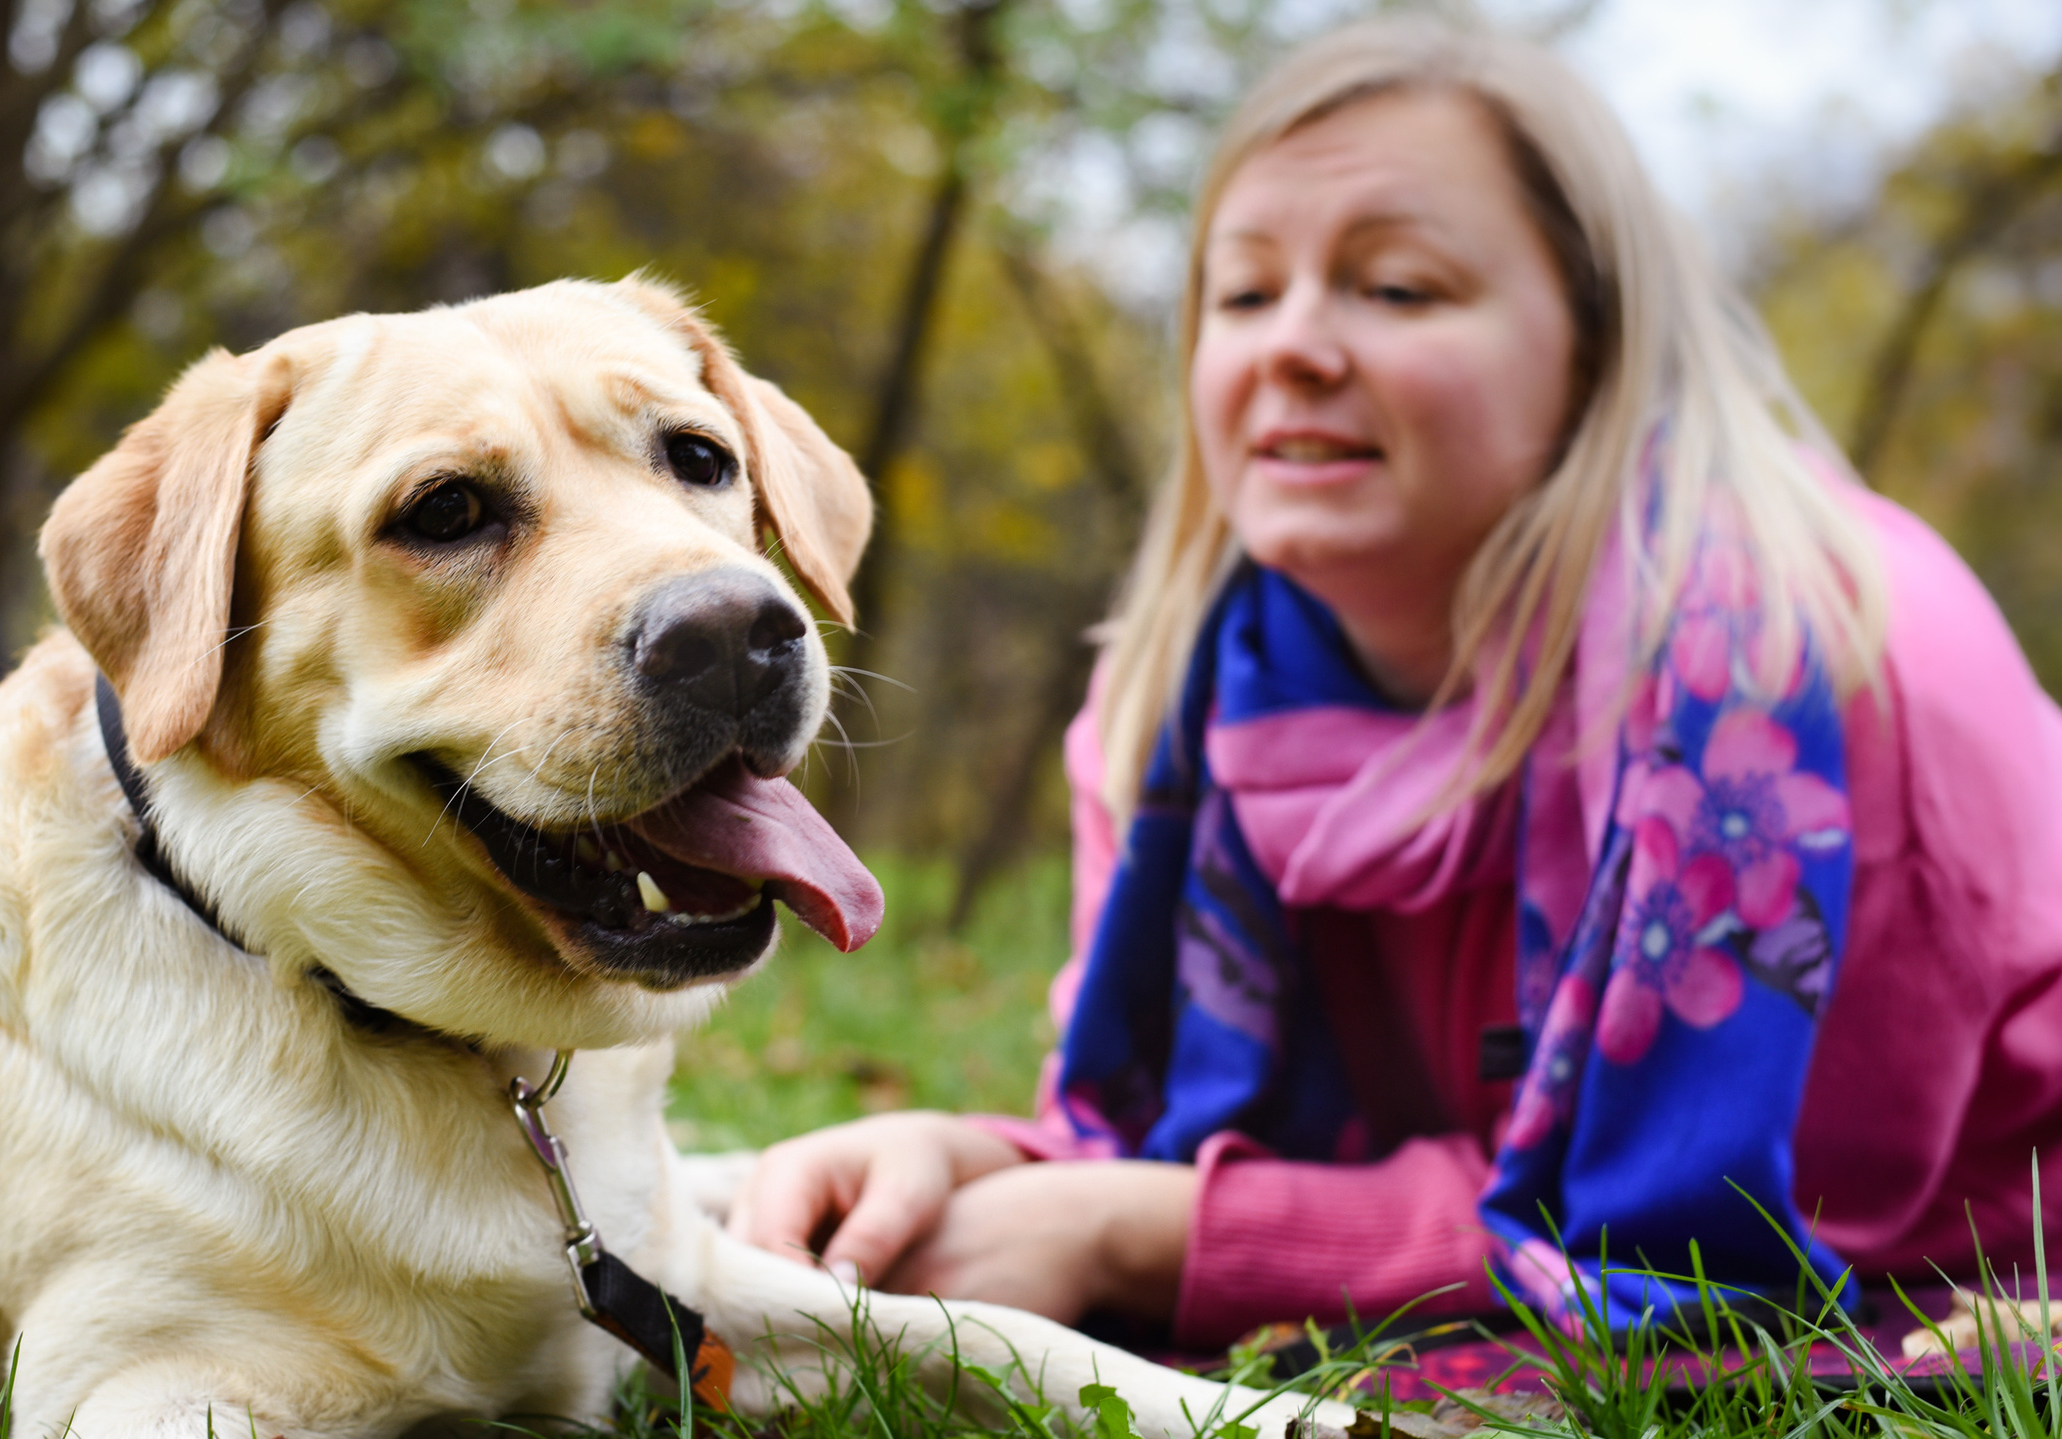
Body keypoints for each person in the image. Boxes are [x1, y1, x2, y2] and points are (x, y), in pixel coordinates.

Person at [727, 17, 2062, 1346]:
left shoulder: (1815, 674)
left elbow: (1738, 1230)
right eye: (1244, 294)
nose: (1292, 346)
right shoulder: (1172, 715)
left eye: (1399, 288)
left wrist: (1154, 1233)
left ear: (1597, 349)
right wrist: (967, 1164)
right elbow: (1151, 1146)